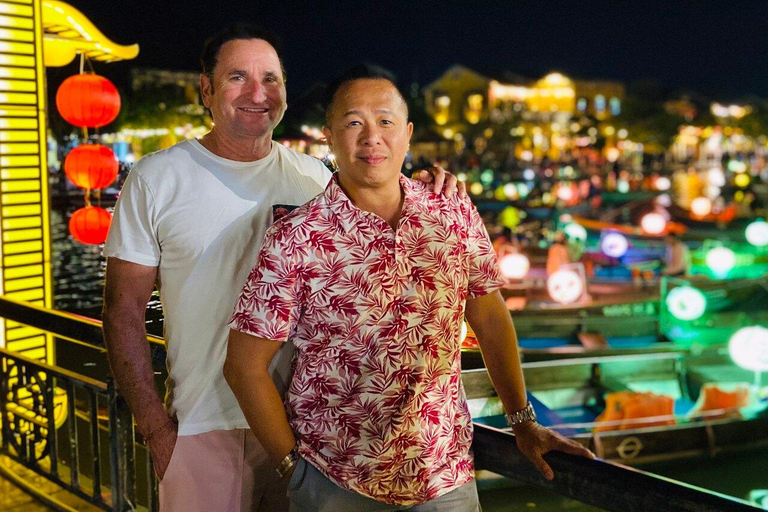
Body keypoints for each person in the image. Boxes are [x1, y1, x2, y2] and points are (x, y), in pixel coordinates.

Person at [102, 25, 460, 512]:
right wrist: (157, 432)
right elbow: (123, 312)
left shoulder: (313, 176)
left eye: (271, 79)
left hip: (313, 435)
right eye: (237, 77)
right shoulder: (157, 179)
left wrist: (433, 185)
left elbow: (387, 213)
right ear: (205, 89)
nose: (257, 93)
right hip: (205, 425)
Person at [225, 67, 593, 512]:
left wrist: (522, 422)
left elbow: (490, 316)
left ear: (408, 133)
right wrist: (293, 468)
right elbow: (244, 366)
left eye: (385, 121)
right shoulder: (298, 236)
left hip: (445, 473)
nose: (371, 138)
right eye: (353, 122)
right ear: (329, 136)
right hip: (336, 477)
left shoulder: (451, 210)